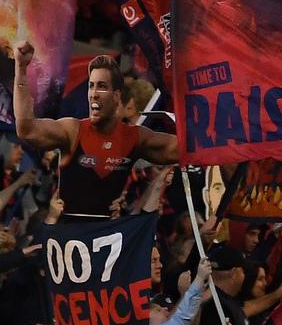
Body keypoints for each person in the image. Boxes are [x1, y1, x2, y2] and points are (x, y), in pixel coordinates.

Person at [13, 41, 178, 218]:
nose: (94, 93)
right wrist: (21, 69)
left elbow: (182, 149)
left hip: (108, 238)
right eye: (91, 86)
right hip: (69, 237)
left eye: (102, 86)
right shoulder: (72, 130)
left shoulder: (134, 137)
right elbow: (26, 130)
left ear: (116, 96)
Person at [150, 258, 234, 325]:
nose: (165, 308)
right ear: (148, 323)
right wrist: (199, 279)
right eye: (158, 310)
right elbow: (182, 318)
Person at [194, 244, 250, 325]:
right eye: (243, 271)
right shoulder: (216, 306)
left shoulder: (224, 300)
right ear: (234, 273)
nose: (244, 275)